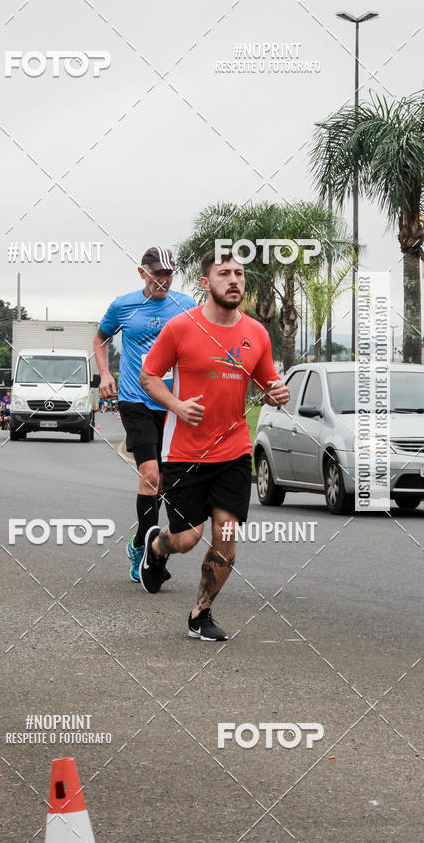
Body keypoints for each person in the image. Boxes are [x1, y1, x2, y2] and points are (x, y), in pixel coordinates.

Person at [138, 251, 290, 641]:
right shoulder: (180, 327)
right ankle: (157, 546)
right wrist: (175, 404)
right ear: (206, 283)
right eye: (224, 273)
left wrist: (277, 393)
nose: (234, 280)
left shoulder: (256, 333)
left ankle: (200, 613)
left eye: (239, 273)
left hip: (234, 450)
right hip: (184, 451)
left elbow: (268, 383)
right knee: (187, 539)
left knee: (226, 533)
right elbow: (149, 376)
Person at [93, 247, 196, 583]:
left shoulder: (186, 305)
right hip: (136, 400)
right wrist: (106, 374)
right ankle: (148, 549)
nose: (163, 280)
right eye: (157, 274)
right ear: (142, 273)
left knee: (167, 481)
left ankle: (143, 542)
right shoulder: (123, 305)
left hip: (172, 403)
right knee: (150, 475)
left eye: (169, 274)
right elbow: (100, 338)